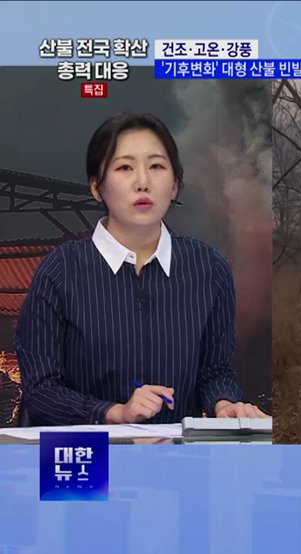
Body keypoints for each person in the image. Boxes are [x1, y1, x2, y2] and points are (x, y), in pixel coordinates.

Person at [14, 112, 269, 426]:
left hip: (175, 460)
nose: (143, 182)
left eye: (157, 167)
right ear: (96, 187)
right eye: (124, 167)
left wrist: (224, 403)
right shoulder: (60, 271)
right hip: (89, 460)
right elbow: (41, 390)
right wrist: (114, 413)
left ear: (175, 185)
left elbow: (215, 370)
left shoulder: (208, 267)